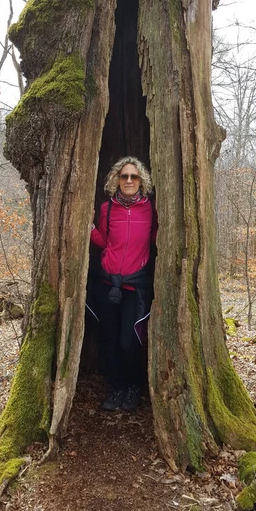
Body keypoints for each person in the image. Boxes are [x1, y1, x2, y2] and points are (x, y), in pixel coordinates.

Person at [90, 157, 157, 411]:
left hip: (135, 287)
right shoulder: (107, 209)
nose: (129, 181)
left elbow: (155, 240)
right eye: (124, 176)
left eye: (134, 176)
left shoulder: (150, 209)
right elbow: (105, 241)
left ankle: (132, 386)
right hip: (107, 284)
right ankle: (117, 385)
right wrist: (88, 230)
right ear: (116, 179)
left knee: (128, 340)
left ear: (142, 181)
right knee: (108, 338)